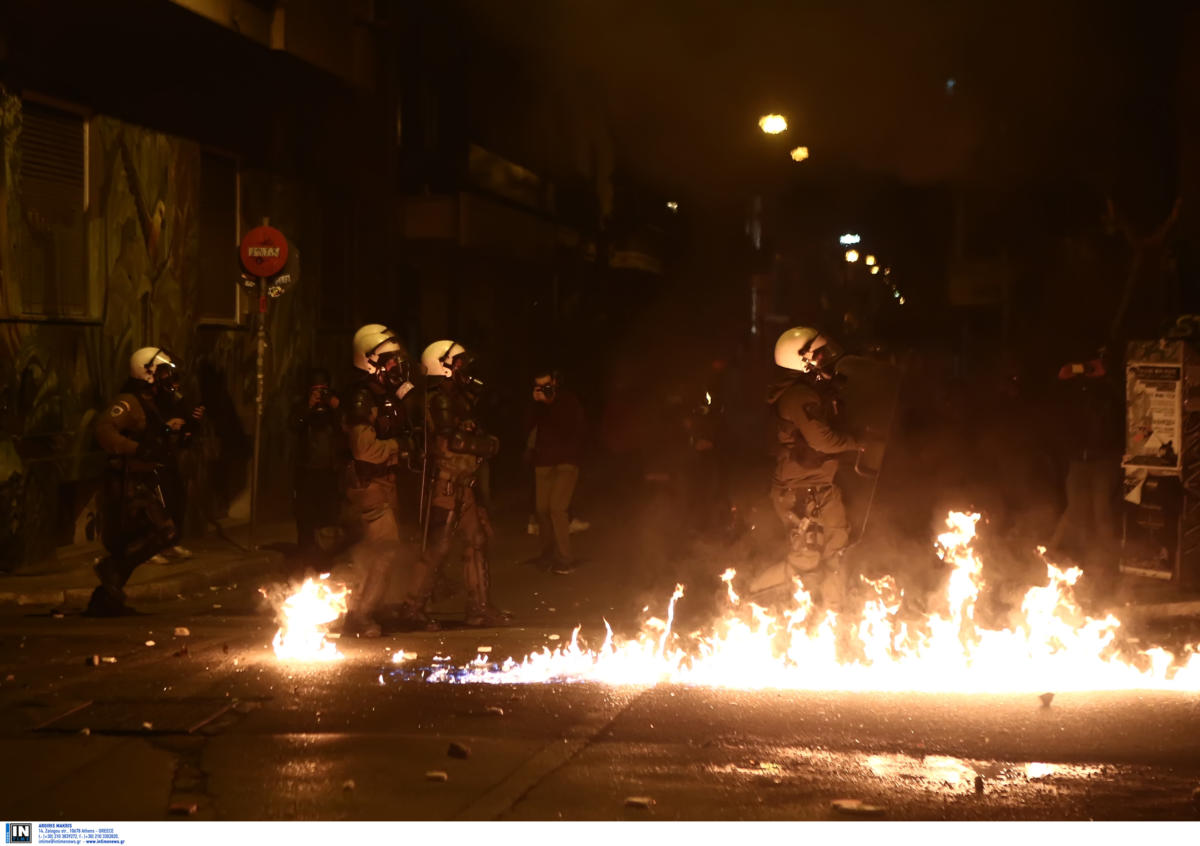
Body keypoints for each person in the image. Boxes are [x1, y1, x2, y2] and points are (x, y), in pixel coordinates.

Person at [756, 326, 873, 609]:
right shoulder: (798, 397)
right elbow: (823, 442)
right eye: (819, 356)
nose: (826, 361)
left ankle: (831, 618)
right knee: (806, 560)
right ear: (802, 361)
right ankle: (750, 599)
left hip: (815, 487)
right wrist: (857, 443)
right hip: (803, 491)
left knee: (835, 554)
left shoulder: (806, 392)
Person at [399, 339, 510, 628]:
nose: (464, 369)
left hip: (463, 483)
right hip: (446, 485)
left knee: (476, 542)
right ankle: (412, 608)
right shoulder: (440, 400)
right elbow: (454, 442)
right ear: (443, 367)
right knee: (437, 547)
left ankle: (479, 608)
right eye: (458, 364)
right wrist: (487, 445)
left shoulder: (456, 397)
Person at [86, 347, 194, 616]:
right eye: (163, 372)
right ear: (146, 373)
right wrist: (134, 448)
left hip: (145, 479)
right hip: (127, 483)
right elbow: (103, 430)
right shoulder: (129, 401)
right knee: (162, 532)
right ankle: (112, 573)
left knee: (150, 536)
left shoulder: (151, 402)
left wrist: (171, 430)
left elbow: (151, 435)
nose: (168, 378)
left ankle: (109, 594)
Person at [340, 325, 418, 637]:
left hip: (385, 483)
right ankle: (360, 614)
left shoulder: (384, 394)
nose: (395, 366)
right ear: (369, 360)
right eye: (388, 359)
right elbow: (365, 451)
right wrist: (400, 447)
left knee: (385, 549)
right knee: (382, 550)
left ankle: (372, 607)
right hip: (369, 484)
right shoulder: (361, 397)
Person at [1047, 345, 1123, 606]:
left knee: (1101, 509)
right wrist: (1063, 378)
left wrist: (1104, 378)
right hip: (1078, 458)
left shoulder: (1112, 387)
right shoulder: (1076, 389)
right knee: (1076, 506)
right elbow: (1056, 405)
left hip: (1105, 458)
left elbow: (1125, 404)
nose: (1088, 369)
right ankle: (1051, 552)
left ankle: (1108, 564)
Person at [524, 367, 587, 574]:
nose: (543, 390)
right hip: (543, 462)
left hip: (565, 462)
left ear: (555, 382)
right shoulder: (538, 404)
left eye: (547, 386)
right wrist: (536, 404)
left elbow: (570, 429)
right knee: (542, 509)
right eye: (539, 386)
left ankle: (565, 558)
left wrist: (549, 402)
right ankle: (547, 554)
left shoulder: (568, 401)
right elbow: (528, 427)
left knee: (557, 508)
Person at [289, 368, 345, 562]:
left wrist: (335, 407)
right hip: (307, 472)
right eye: (316, 389)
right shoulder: (301, 405)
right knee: (305, 517)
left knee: (329, 518)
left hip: (330, 472)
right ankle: (305, 557)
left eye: (323, 389)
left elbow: (346, 428)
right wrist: (308, 405)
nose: (320, 394)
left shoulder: (335, 407)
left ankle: (327, 559)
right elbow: (293, 424)